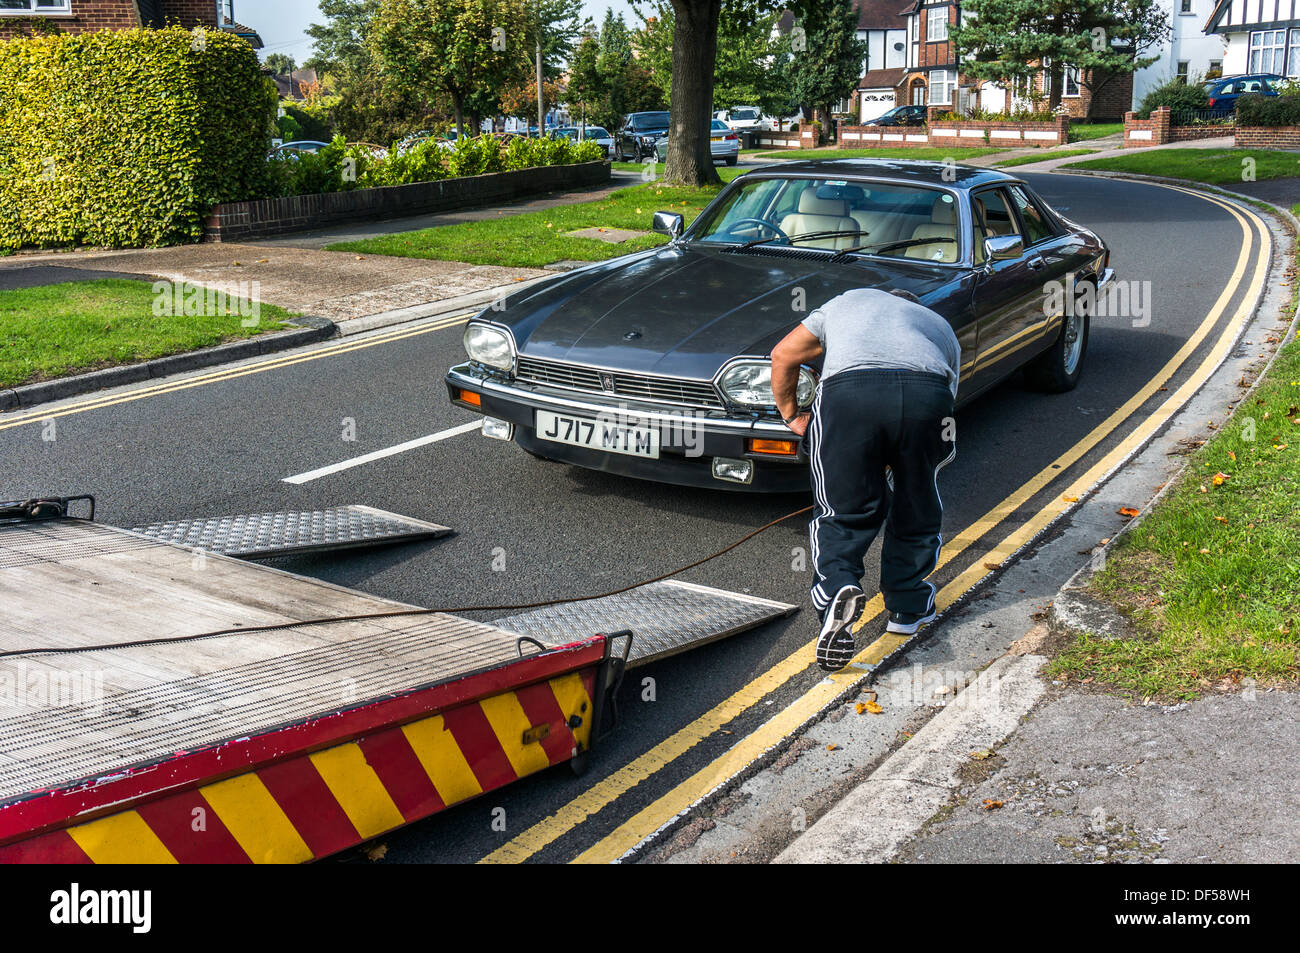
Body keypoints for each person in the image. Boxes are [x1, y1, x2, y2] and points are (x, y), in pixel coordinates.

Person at [771, 288, 960, 672]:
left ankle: (837, 588)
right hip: (929, 395)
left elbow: (783, 355)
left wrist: (792, 416)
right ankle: (908, 607)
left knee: (841, 508)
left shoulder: (846, 302)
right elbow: (946, 400)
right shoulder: (938, 325)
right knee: (917, 502)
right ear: (911, 307)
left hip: (849, 394)